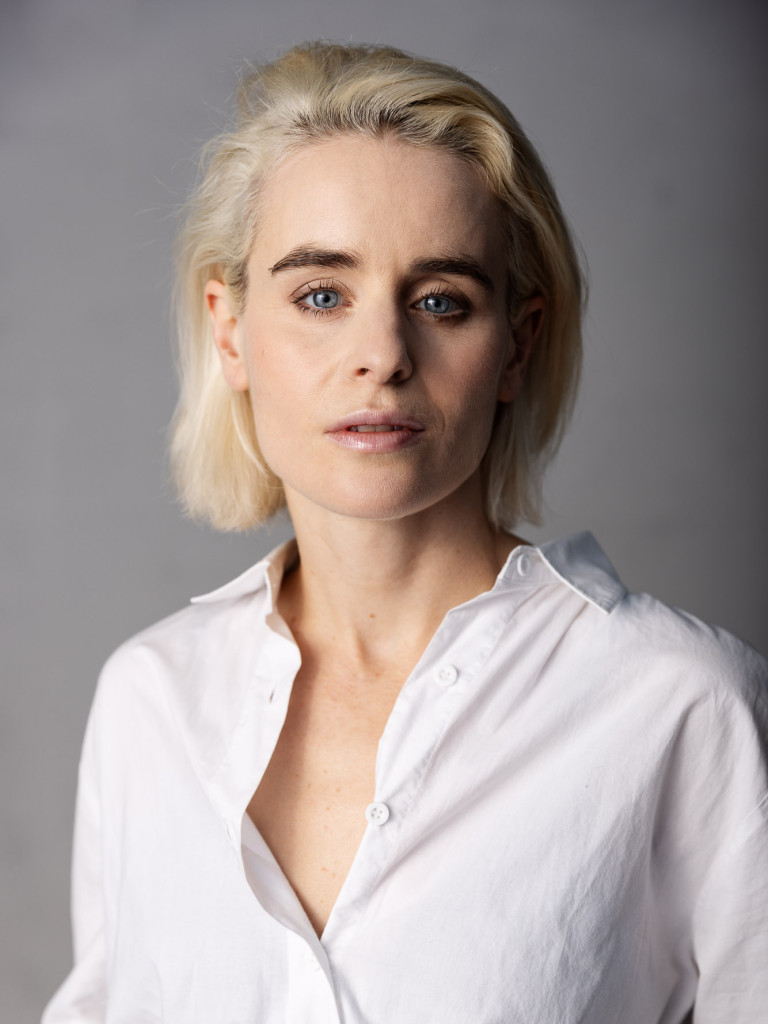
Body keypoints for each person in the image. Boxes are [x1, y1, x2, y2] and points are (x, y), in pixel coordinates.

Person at [43, 41, 767, 1024]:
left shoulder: (682, 706)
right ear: (230, 330)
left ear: (518, 344)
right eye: (321, 295)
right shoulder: (150, 701)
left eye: (440, 301)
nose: (382, 355)